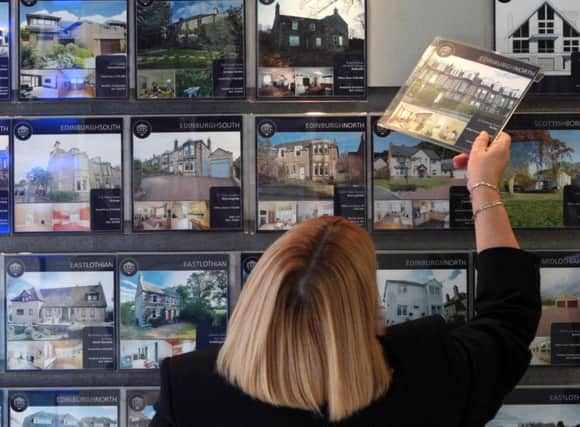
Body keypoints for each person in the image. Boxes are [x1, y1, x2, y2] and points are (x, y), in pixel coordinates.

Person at [151, 131, 541, 427]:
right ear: (365, 301)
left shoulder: (189, 388)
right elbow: (508, 315)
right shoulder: (430, 370)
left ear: (257, 297)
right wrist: (483, 185)